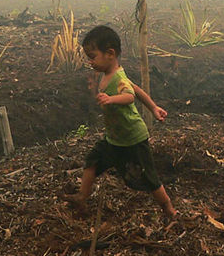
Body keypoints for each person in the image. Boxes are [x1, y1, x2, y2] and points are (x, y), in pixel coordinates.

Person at [60, 25, 177, 217]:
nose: (90, 62)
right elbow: (137, 89)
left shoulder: (119, 77)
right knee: (92, 162)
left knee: (148, 177)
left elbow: (130, 96)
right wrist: (153, 107)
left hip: (133, 139)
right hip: (114, 139)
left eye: (92, 56)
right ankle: (82, 196)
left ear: (110, 53)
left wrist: (111, 99)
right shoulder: (109, 75)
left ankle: (167, 207)